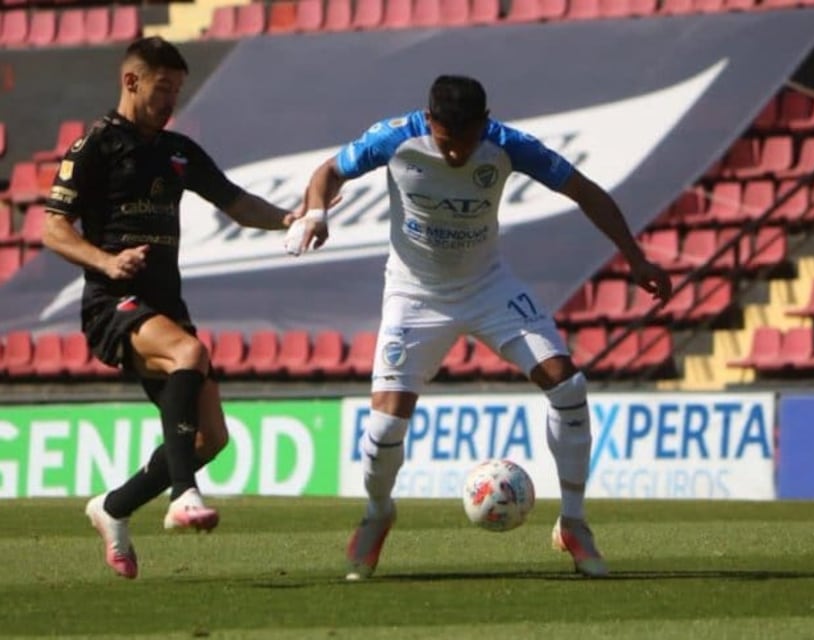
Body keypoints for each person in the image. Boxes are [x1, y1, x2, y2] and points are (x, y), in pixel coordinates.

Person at [292, 74, 671, 580]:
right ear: (430, 123)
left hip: (488, 286)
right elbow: (327, 172)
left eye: (467, 143)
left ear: (484, 125)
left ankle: (574, 523)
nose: (456, 155)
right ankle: (378, 512)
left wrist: (636, 259)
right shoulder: (394, 138)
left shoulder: (508, 146)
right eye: (448, 143)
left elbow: (586, 192)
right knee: (384, 425)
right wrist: (316, 214)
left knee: (568, 385)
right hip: (414, 293)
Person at [41, 36, 296, 580]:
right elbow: (52, 228)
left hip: (164, 302)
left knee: (211, 439)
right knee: (189, 352)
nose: (171, 100)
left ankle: (112, 508)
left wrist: (291, 221)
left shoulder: (177, 151)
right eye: (163, 88)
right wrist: (106, 263)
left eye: (178, 90)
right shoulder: (95, 148)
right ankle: (183, 496)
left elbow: (235, 201)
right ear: (132, 81)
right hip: (113, 303)